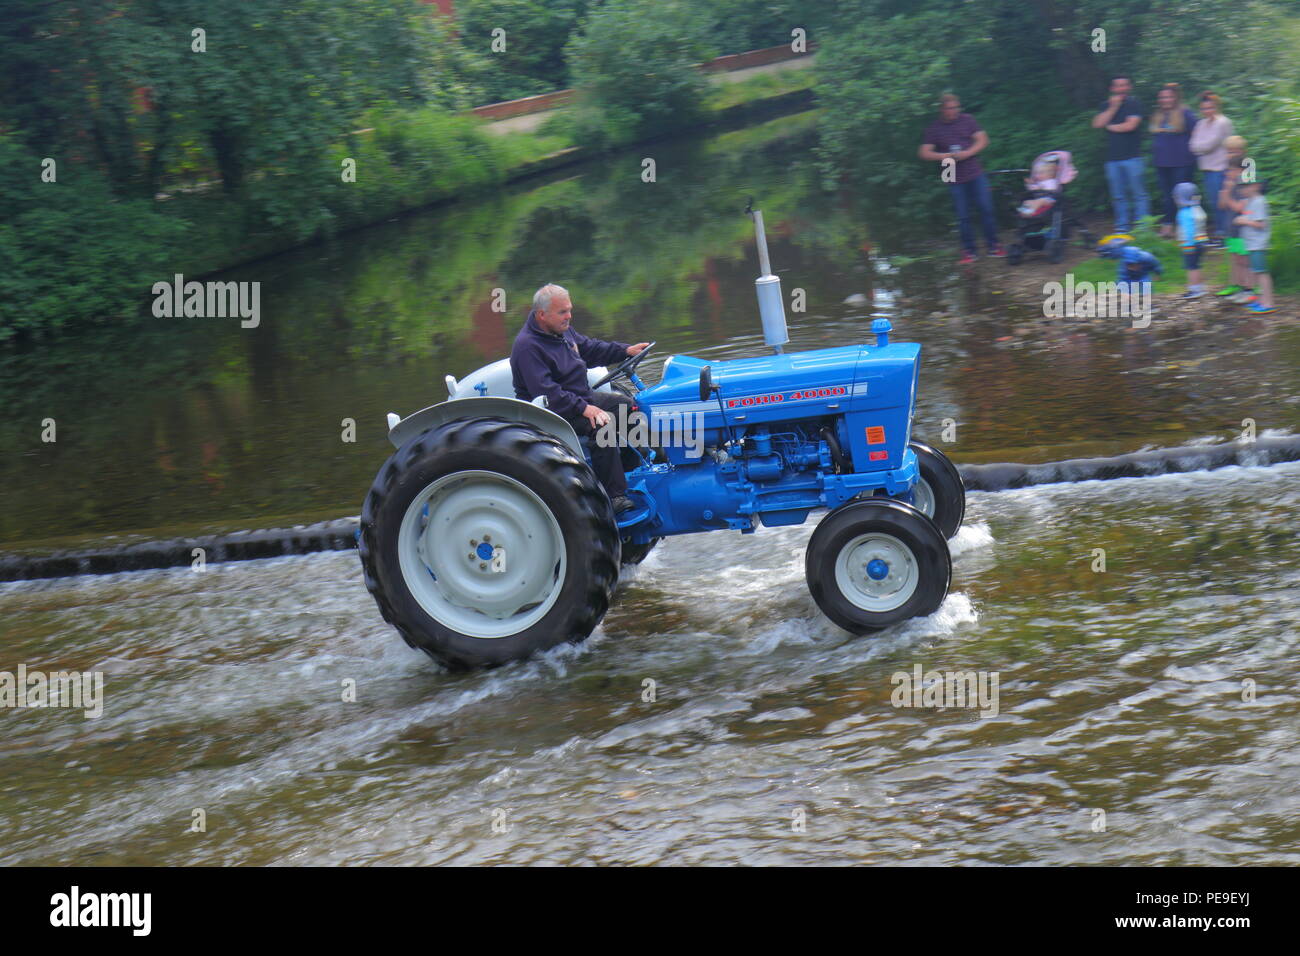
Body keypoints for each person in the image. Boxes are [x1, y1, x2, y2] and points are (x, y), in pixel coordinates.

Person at [510, 284, 649, 512]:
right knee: (602, 425)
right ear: (542, 315)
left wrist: (625, 351)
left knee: (626, 406)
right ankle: (613, 497)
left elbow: (591, 349)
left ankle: (633, 468)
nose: (569, 316)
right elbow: (547, 393)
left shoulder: (561, 332)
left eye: (569, 310)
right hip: (551, 412)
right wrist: (585, 409)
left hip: (579, 398)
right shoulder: (527, 347)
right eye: (562, 312)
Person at [918, 93, 1004, 265]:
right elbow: (923, 153)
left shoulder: (968, 120)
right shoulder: (934, 128)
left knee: (986, 208)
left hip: (973, 168)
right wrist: (944, 156)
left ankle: (994, 246)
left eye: (956, 107)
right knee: (962, 215)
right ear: (942, 109)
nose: (954, 111)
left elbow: (983, 140)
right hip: (949, 169)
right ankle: (969, 252)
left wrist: (968, 153)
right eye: (950, 108)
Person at [1092, 75, 1149, 233]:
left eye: (1124, 85)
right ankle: (1122, 228)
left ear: (1129, 87)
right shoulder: (1106, 105)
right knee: (1118, 196)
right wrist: (1113, 108)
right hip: (1112, 160)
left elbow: (1130, 126)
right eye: (1118, 86)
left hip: (1133, 158)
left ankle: (1143, 229)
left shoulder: (1134, 104)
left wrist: (1110, 126)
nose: (1122, 88)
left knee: (1139, 194)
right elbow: (1097, 124)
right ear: (1112, 89)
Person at [1149, 83, 1199, 238]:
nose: (1166, 100)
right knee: (1167, 196)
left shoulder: (1185, 113)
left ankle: (1189, 227)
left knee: (1184, 196)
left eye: (1169, 96)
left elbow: (1198, 132)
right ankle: (1168, 225)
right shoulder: (1158, 115)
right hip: (1162, 163)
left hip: (1182, 163)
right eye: (1163, 97)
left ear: (1176, 97)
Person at [1189, 91, 1234, 245]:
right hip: (1207, 168)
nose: (1207, 111)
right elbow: (1192, 145)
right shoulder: (1200, 124)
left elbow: (1210, 145)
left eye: (1210, 107)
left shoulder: (1223, 122)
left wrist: (1200, 146)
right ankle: (1219, 233)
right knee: (1213, 202)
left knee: (1222, 202)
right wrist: (1200, 146)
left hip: (1221, 168)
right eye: (1204, 108)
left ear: (1216, 106)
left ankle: (1225, 235)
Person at [1217, 147, 1253, 302]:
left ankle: (1249, 288)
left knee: (1244, 260)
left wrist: (1228, 195)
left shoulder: (1243, 188)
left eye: (1230, 170)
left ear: (1239, 171)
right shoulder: (1231, 186)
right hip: (1231, 229)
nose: (1227, 173)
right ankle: (1238, 287)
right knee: (1235, 259)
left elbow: (1240, 208)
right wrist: (1225, 192)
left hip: (1242, 230)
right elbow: (1221, 206)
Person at [1235, 179, 1275, 314]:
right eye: (1241, 187)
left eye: (1245, 186)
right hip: (1251, 244)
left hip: (1258, 244)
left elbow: (1261, 224)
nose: (1242, 190)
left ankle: (1268, 303)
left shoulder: (1259, 201)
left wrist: (1243, 221)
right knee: (1256, 272)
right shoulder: (1250, 202)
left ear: (1256, 186)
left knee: (1261, 273)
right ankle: (1260, 300)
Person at [1173, 182, 1208, 299]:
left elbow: (1188, 230)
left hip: (1191, 244)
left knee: (1191, 267)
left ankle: (1194, 290)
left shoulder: (1184, 213)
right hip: (1202, 241)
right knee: (1197, 266)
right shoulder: (1198, 209)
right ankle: (1201, 287)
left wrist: (1188, 244)